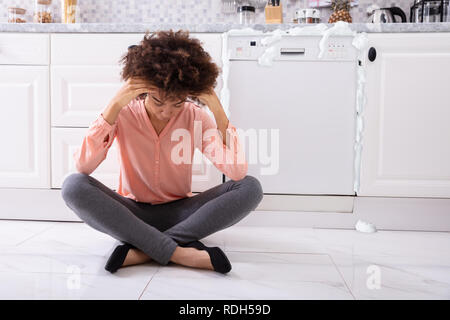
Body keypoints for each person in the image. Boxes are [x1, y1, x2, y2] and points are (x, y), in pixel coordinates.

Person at [61, 29, 263, 274]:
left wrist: (217, 110)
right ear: (142, 89)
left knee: (250, 187)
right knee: (73, 185)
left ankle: (143, 249)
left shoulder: (196, 116)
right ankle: (180, 253)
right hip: (131, 211)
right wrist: (114, 105)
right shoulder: (123, 113)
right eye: (158, 101)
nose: (166, 111)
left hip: (181, 212)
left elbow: (236, 171)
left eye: (177, 103)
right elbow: (84, 167)